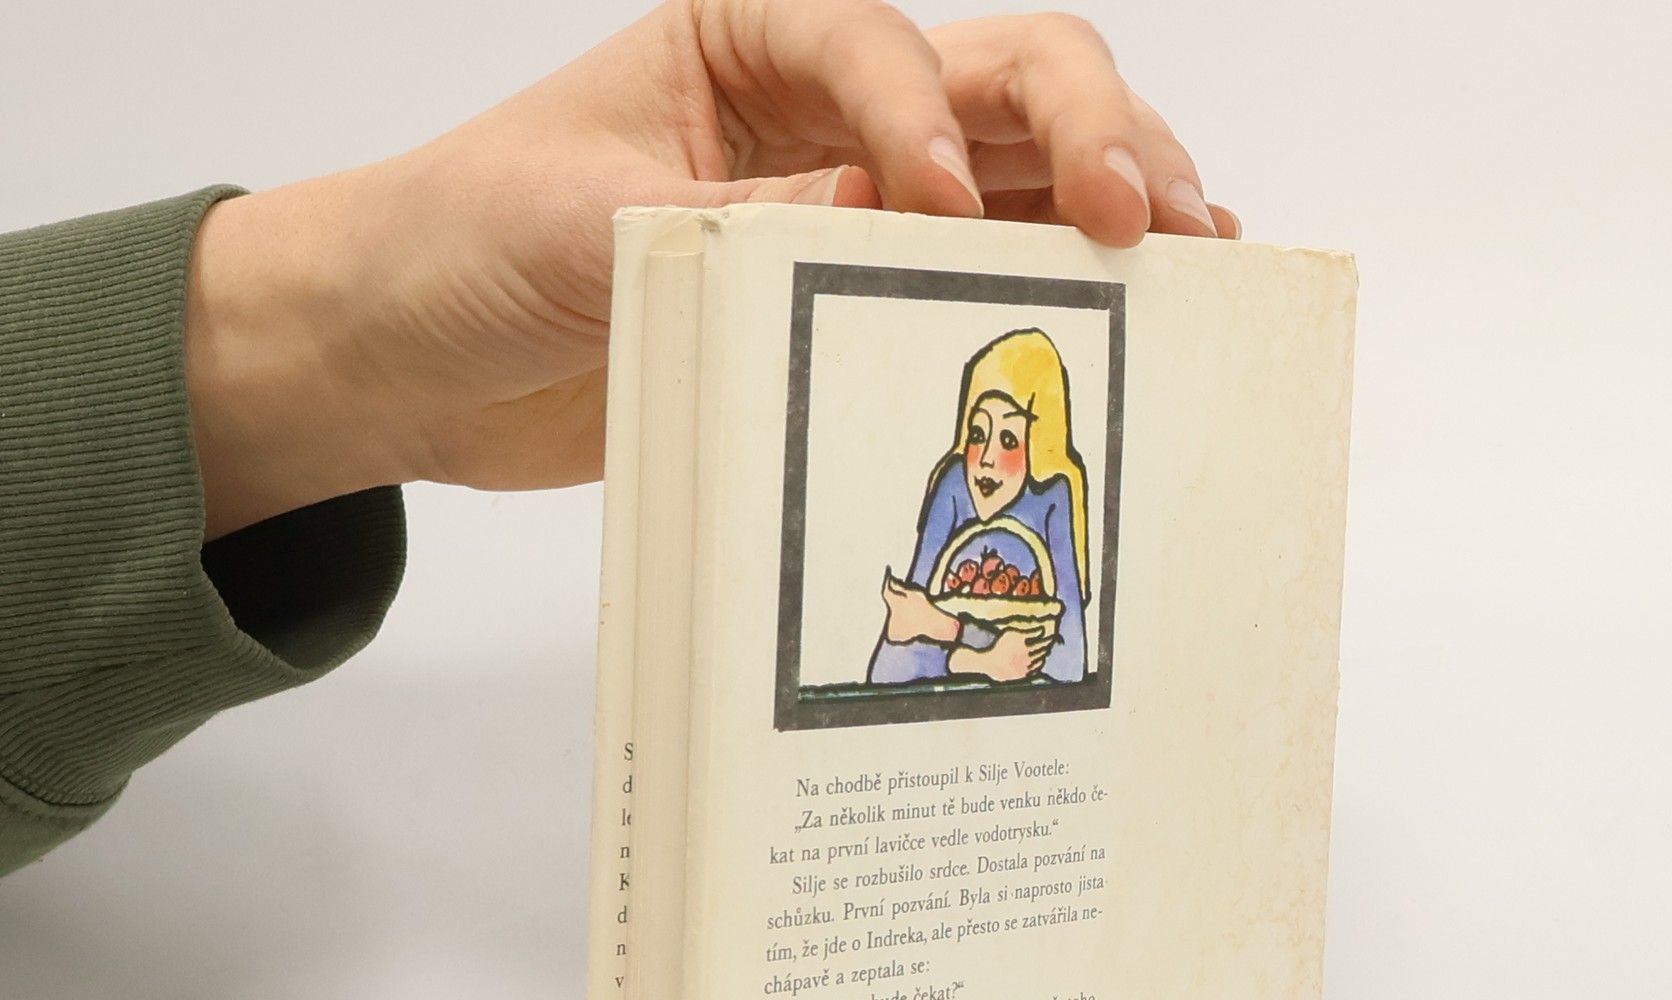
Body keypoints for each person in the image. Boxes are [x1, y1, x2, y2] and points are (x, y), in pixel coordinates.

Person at [0, 0, 1233, 877]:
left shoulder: (1050, 521)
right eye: (980, 426)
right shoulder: (946, 504)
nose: (992, 451)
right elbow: (902, 658)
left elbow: (1045, 656)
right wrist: (350, 336)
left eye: (1016, 433)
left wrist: (351, 355)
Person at [872, 327, 1092, 686]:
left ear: (1038, 442)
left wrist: (940, 629)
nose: (987, 458)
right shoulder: (954, 485)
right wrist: (977, 656)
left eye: (1008, 440)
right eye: (977, 435)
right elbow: (889, 667)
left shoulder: (1052, 495)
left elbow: (1068, 665)